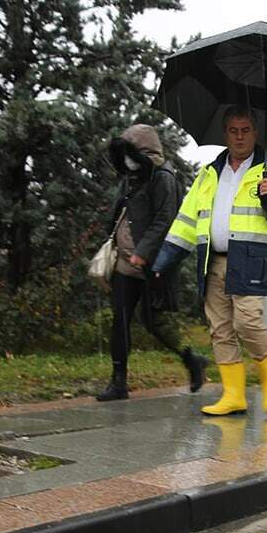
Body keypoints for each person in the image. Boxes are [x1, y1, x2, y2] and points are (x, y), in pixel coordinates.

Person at [152, 106, 267, 416]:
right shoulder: (209, 172)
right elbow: (187, 218)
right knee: (219, 328)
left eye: (246, 130)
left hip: (251, 260)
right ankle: (234, 394)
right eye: (234, 130)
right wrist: (164, 259)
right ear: (225, 134)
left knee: (246, 320)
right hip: (213, 261)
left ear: (255, 132)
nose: (240, 136)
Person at [97, 125, 209, 402]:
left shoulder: (164, 178)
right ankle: (118, 382)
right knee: (120, 320)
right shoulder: (130, 178)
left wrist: (144, 251)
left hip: (153, 264)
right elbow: (120, 212)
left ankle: (192, 359)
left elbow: (165, 218)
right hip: (124, 263)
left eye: (130, 153)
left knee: (154, 321)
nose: (126, 160)